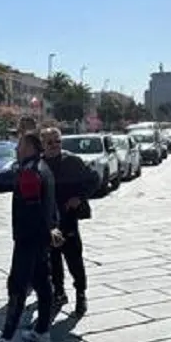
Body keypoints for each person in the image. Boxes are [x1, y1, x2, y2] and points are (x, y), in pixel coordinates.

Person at [0, 131, 60, 342]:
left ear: (30, 148)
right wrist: (51, 229)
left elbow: (34, 209)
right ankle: (42, 330)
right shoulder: (45, 169)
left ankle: (7, 337)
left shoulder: (29, 172)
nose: (16, 149)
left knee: (17, 285)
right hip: (41, 238)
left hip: (28, 238)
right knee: (43, 284)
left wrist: (42, 231)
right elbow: (51, 206)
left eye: (20, 145)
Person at [41, 127, 98, 319]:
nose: (55, 145)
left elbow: (94, 179)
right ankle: (59, 292)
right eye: (50, 142)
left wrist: (79, 198)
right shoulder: (40, 165)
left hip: (68, 219)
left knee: (74, 259)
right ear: (43, 144)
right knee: (53, 261)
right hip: (48, 222)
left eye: (58, 141)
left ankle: (81, 294)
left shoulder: (72, 161)